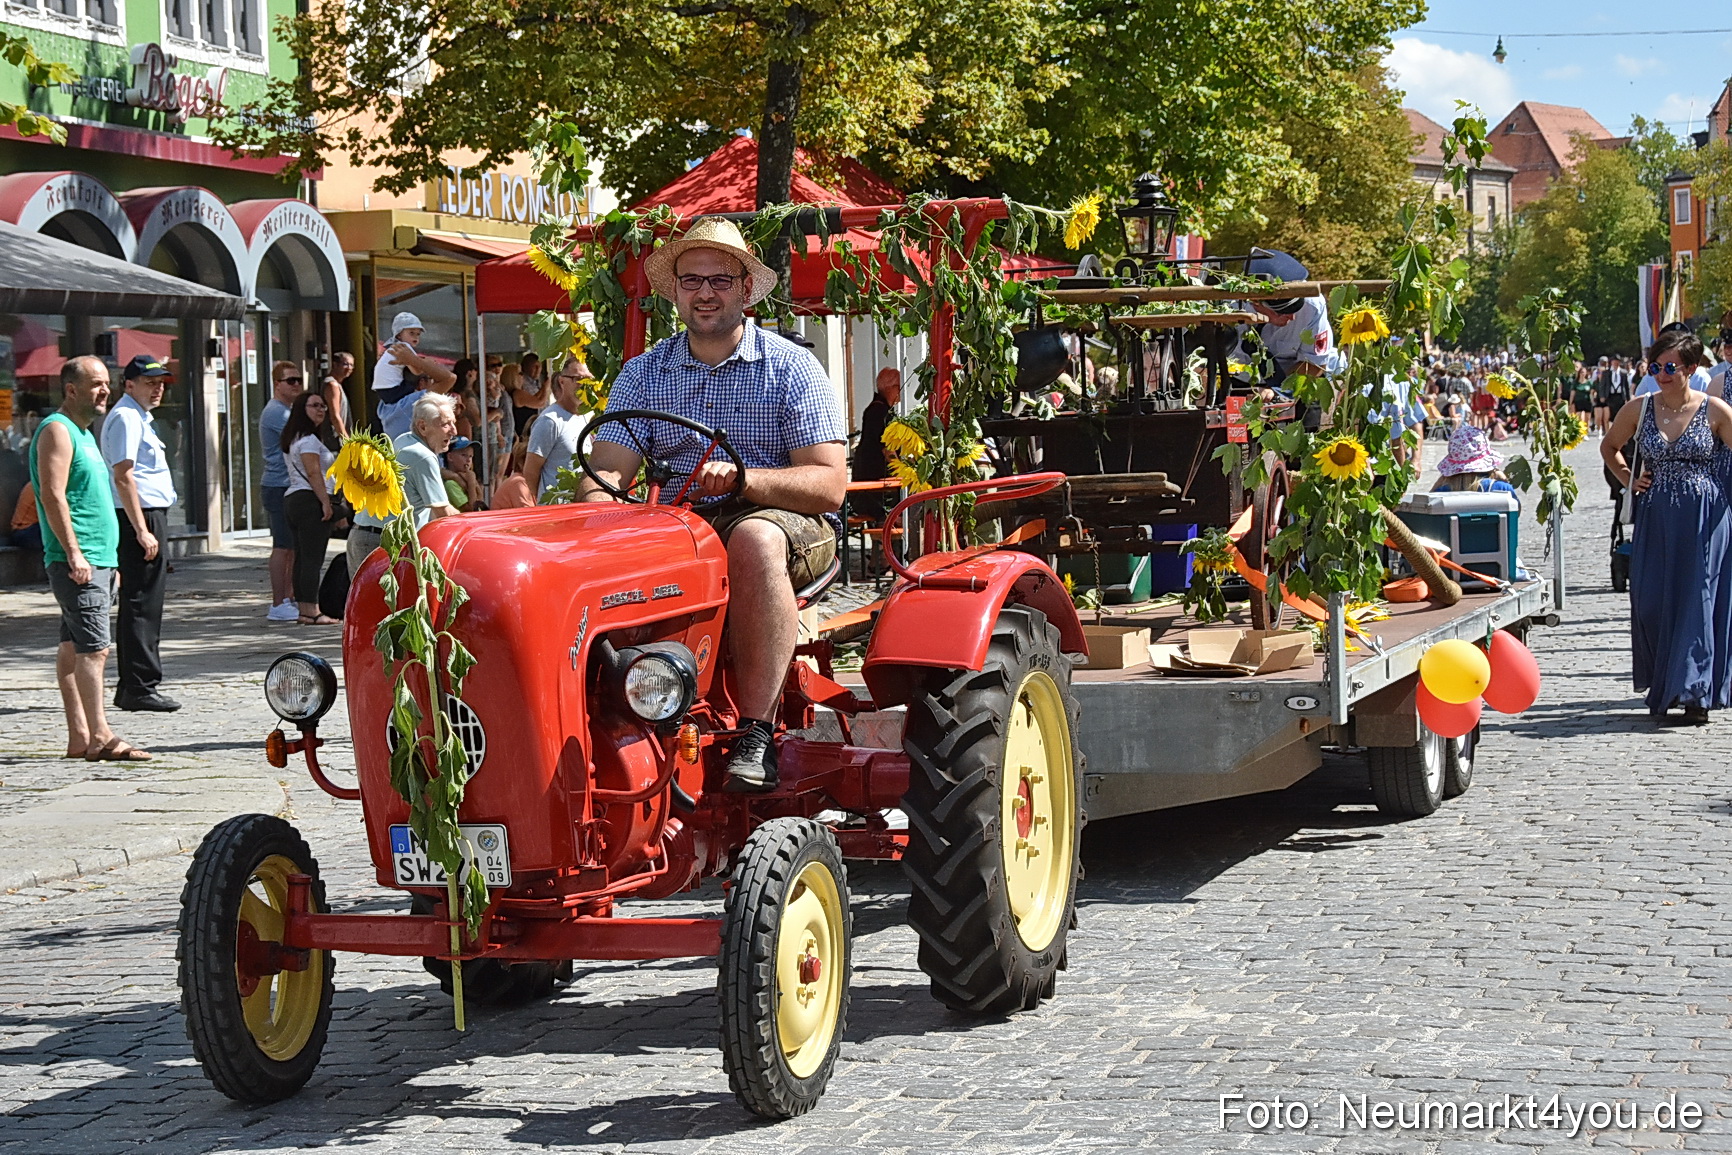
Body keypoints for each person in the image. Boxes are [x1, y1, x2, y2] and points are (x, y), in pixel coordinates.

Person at [579, 216, 846, 791]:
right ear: (674, 291)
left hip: (789, 522)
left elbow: (828, 485)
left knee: (752, 539)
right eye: (692, 280)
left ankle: (756, 731)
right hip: (679, 522)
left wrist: (746, 480)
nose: (705, 293)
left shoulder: (790, 367)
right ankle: (620, 708)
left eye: (720, 280)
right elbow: (608, 469)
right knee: (600, 548)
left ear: (746, 290)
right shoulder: (643, 373)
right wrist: (594, 502)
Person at [1601, 329, 1732, 724]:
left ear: (1692, 369)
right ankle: (1668, 677)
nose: (1661, 374)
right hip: (1656, 514)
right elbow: (1609, 446)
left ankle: (1694, 692)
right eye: (1656, 367)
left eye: (1670, 367)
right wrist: (1629, 478)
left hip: (1705, 515)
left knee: (1698, 598)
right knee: (1652, 600)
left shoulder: (1715, 410)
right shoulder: (1639, 408)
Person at [31, 357, 149, 762]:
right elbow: (52, 494)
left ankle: (79, 736)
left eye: (106, 383)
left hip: (98, 559)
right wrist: (74, 553)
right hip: (79, 561)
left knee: (73, 646)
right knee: (94, 650)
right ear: (71, 389)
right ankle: (100, 734)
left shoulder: (82, 433)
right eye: (96, 384)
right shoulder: (58, 431)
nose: (105, 390)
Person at [100, 355, 181, 711]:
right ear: (128, 384)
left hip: (148, 515)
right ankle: (139, 685)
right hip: (139, 516)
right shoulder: (126, 417)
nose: (158, 388)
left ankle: (137, 683)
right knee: (141, 603)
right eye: (150, 382)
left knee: (147, 601)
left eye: (161, 382)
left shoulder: (138, 417)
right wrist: (142, 530)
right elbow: (123, 475)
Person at [347, 393, 459, 574]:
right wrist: (473, 527)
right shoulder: (422, 455)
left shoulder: (405, 439)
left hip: (366, 536)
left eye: (453, 422)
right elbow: (443, 513)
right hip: (381, 542)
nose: (454, 431)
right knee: (387, 603)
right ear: (423, 426)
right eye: (446, 424)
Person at [281, 391, 341, 625]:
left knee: (303, 558)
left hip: (296, 499)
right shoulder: (308, 441)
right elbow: (313, 472)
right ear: (301, 410)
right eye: (314, 405)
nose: (321, 410)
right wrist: (325, 502)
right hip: (309, 500)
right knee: (312, 559)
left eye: (323, 406)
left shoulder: (298, 438)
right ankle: (312, 610)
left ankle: (304, 609)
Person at [261, 361, 302, 623]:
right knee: (283, 546)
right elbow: (300, 441)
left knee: (293, 547)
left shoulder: (286, 410)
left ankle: (288, 597)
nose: (296, 384)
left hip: (288, 485)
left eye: (299, 379)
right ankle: (278, 602)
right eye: (290, 380)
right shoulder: (278, 413)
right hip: (279, 485)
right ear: (277, 384)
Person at [371, 312, 455, 439]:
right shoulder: (404, 347)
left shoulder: (384, 408)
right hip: (394, 392)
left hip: (385, 392)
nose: (415, 337)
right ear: (399, 334)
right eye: (411, 333)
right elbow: (449, 378)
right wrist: (424, 363)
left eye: (418, 334)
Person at [523, 356, 591, 500]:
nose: (584, 385)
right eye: (578, 379)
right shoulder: (550, 421)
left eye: (588, 379)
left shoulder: (587, 416)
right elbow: (530, 472)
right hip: (558, 512)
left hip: (583, 512)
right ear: (562, 381)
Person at [851, 367, 900, 518]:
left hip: (869, 478)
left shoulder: (877, 409)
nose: (901, 391)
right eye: (899, 386)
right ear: (889, 388)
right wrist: (902, 469)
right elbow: (887, 450)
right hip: (874, 483)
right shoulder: (880, 412)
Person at [1432, 424, 1517, 495]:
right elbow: (1516, 510)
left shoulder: (1441, 493)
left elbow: (1428, 506)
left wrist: (1441, 481)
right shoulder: (1502, 489)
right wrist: (1504, 478)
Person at [442, 435, 484, 510]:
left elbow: (480, 500)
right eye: (464, 455)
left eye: (471, 456)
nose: (468, 460)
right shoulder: (451, 484)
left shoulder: (467, 477)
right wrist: (471, 483)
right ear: (450, 457)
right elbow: (472, 510)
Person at [490, 442, 535, 509]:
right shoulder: (519, 483)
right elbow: (530, 515)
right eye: (534, 460)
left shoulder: (526, 481)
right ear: (521, 463)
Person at [512, 353, 547, 435]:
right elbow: (539, 402)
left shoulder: (538, 382)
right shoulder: (522, 385)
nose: (538, 369)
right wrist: (546, 388)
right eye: (535, 366)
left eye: (540, 366)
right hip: (527, 427)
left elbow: (535, 398)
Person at [322, 351, 355, 440]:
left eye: (351, 365)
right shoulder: (332, 385)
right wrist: (346, 440)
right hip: (333, 440)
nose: (349, 368)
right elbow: (335, 416)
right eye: (345, 364)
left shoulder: (337, 385)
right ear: (335, 365)